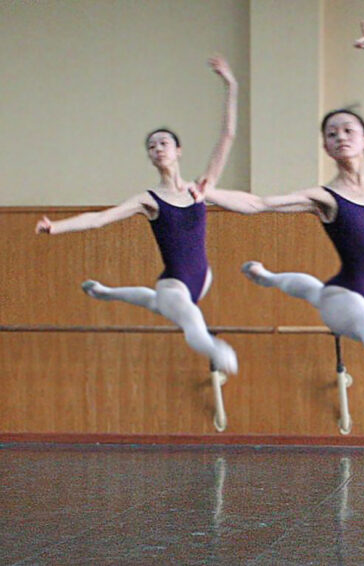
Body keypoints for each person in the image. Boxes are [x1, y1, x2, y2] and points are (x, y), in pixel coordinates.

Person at [197, 23, 364, 364]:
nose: (340, 136)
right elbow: (259, 204)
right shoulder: (325, 197)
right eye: (331, 134)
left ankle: (267, 276)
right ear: (326, 147)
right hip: (346, 299)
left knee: (312, 289)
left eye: (348, 130)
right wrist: (206, 193)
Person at [35, 56, 240, 375]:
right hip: (175, 284)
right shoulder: (150, 200)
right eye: (151, 146)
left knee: (157, 305)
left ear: (178, 150)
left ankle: (106, 292)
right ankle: (217, 350)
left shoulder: (199, 188)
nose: (157, 148)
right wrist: (55, 227)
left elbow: (227, 136)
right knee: (189, 320)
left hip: (203, 278)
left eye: (163, 143)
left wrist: (231, 85)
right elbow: (101, 218)